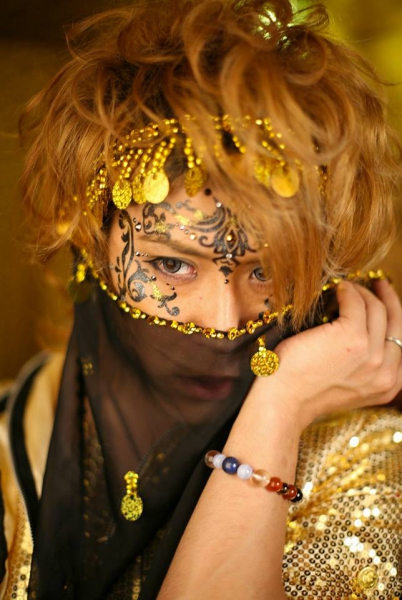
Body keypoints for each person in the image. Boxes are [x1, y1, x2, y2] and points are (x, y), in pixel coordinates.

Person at [1, 0, 402, 598]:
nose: (223, 322)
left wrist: (279, 406)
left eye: (267, 272)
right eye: (171, 265)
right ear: (91, 239)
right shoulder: (12, 434)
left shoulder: (364, 463)